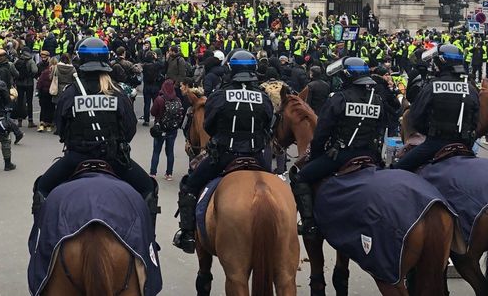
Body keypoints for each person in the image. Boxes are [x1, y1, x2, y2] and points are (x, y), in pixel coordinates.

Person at [33, 38, 158, 227]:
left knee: (41, 188)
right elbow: (130, 128)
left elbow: (60, 127)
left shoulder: (71, 92)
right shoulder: (117, 91)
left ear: (80, 60)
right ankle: (150, 243)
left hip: (76, 158)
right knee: (148, 188)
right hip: (114, 159)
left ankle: (39, 242)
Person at [173, 51, 273, 253]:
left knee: (189, 186)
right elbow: (269, 125)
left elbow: (209, 126)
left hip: (224, 156)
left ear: (231, 70)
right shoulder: (263, 97)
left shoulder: (220, 95)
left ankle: (187, 234)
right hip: (256, 157)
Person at [290, 57, 386, 239]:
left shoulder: (339, 99)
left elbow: (321, 133)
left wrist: (317, 155)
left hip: (341, 155)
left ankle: (309, 223)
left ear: (346, 76)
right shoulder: (377, 100)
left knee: (300, 177)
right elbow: (381, 129)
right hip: (370, 155)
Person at [393, 44, 479, 172]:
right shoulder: (470, 89)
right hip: (464, 144)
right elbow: (476, 120)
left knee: (397, 168)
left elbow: (415, 117)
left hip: (436, 143)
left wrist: (429, 132)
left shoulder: (432, 86)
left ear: (441, 62)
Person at [149, 79, 181, 180]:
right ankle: (169, 174)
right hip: (172, 129)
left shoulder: (159, 99)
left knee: (156, 151)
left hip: (160, 128)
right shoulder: (177, 100)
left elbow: (153, 112)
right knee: (170, 151)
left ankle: (153, 173)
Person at [14, 46, 38, 128]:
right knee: (29, 102)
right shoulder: (30, 60)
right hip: (29, 84)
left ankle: (19, 121)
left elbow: (14, 70)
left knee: (20, 102)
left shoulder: (18, 60)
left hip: (19, 84)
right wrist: (30, 75)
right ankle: (30, 121)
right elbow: (35, 70)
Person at [36, 54, 56, 133]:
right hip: (53, 92)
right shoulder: (56, 72)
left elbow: (40, 82)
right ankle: (49, 125)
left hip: (44, 92)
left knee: (43, 108)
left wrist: (38, 90)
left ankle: (41, 123)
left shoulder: (45, 72)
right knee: (51, 108)